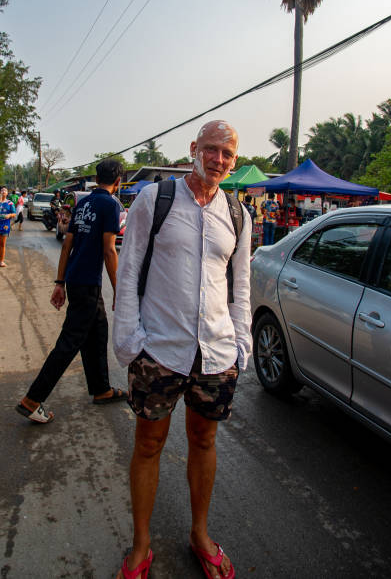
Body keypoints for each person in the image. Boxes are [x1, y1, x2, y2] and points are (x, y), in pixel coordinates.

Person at [113, 120, 252, 579]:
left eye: (226, 154)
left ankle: (199, 533)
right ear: (193, 149)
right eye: (211, 149)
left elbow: (240, 287)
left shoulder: (238, 214)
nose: (217, 160)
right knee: (149, 444)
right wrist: (129, 340)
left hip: (215, 352)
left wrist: (241, 341)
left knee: (204, 440)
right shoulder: (156, 199)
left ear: (234, 161)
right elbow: (129, 270)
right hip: (159, 349)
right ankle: (141, 544)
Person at [16, 159, 128, 424]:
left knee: (98, 332)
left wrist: (60, 282)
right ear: (119, 181)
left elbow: (68, 243)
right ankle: (32, 399)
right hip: (88, 283)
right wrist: (120, 291)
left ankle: (101, 389)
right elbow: (109, 249)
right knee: (69, 343)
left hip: (77, 280)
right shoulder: (111, 205)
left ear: (96, 178)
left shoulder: (84, 203)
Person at [0, 186, 16, 267]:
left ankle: (1, 261)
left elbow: (14, 213)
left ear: (7, 193)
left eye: (5, 190)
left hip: (5, 226)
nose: (3, 191)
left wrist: (9, 215)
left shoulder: (10, 203)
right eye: (2, 190)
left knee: (2, 244)